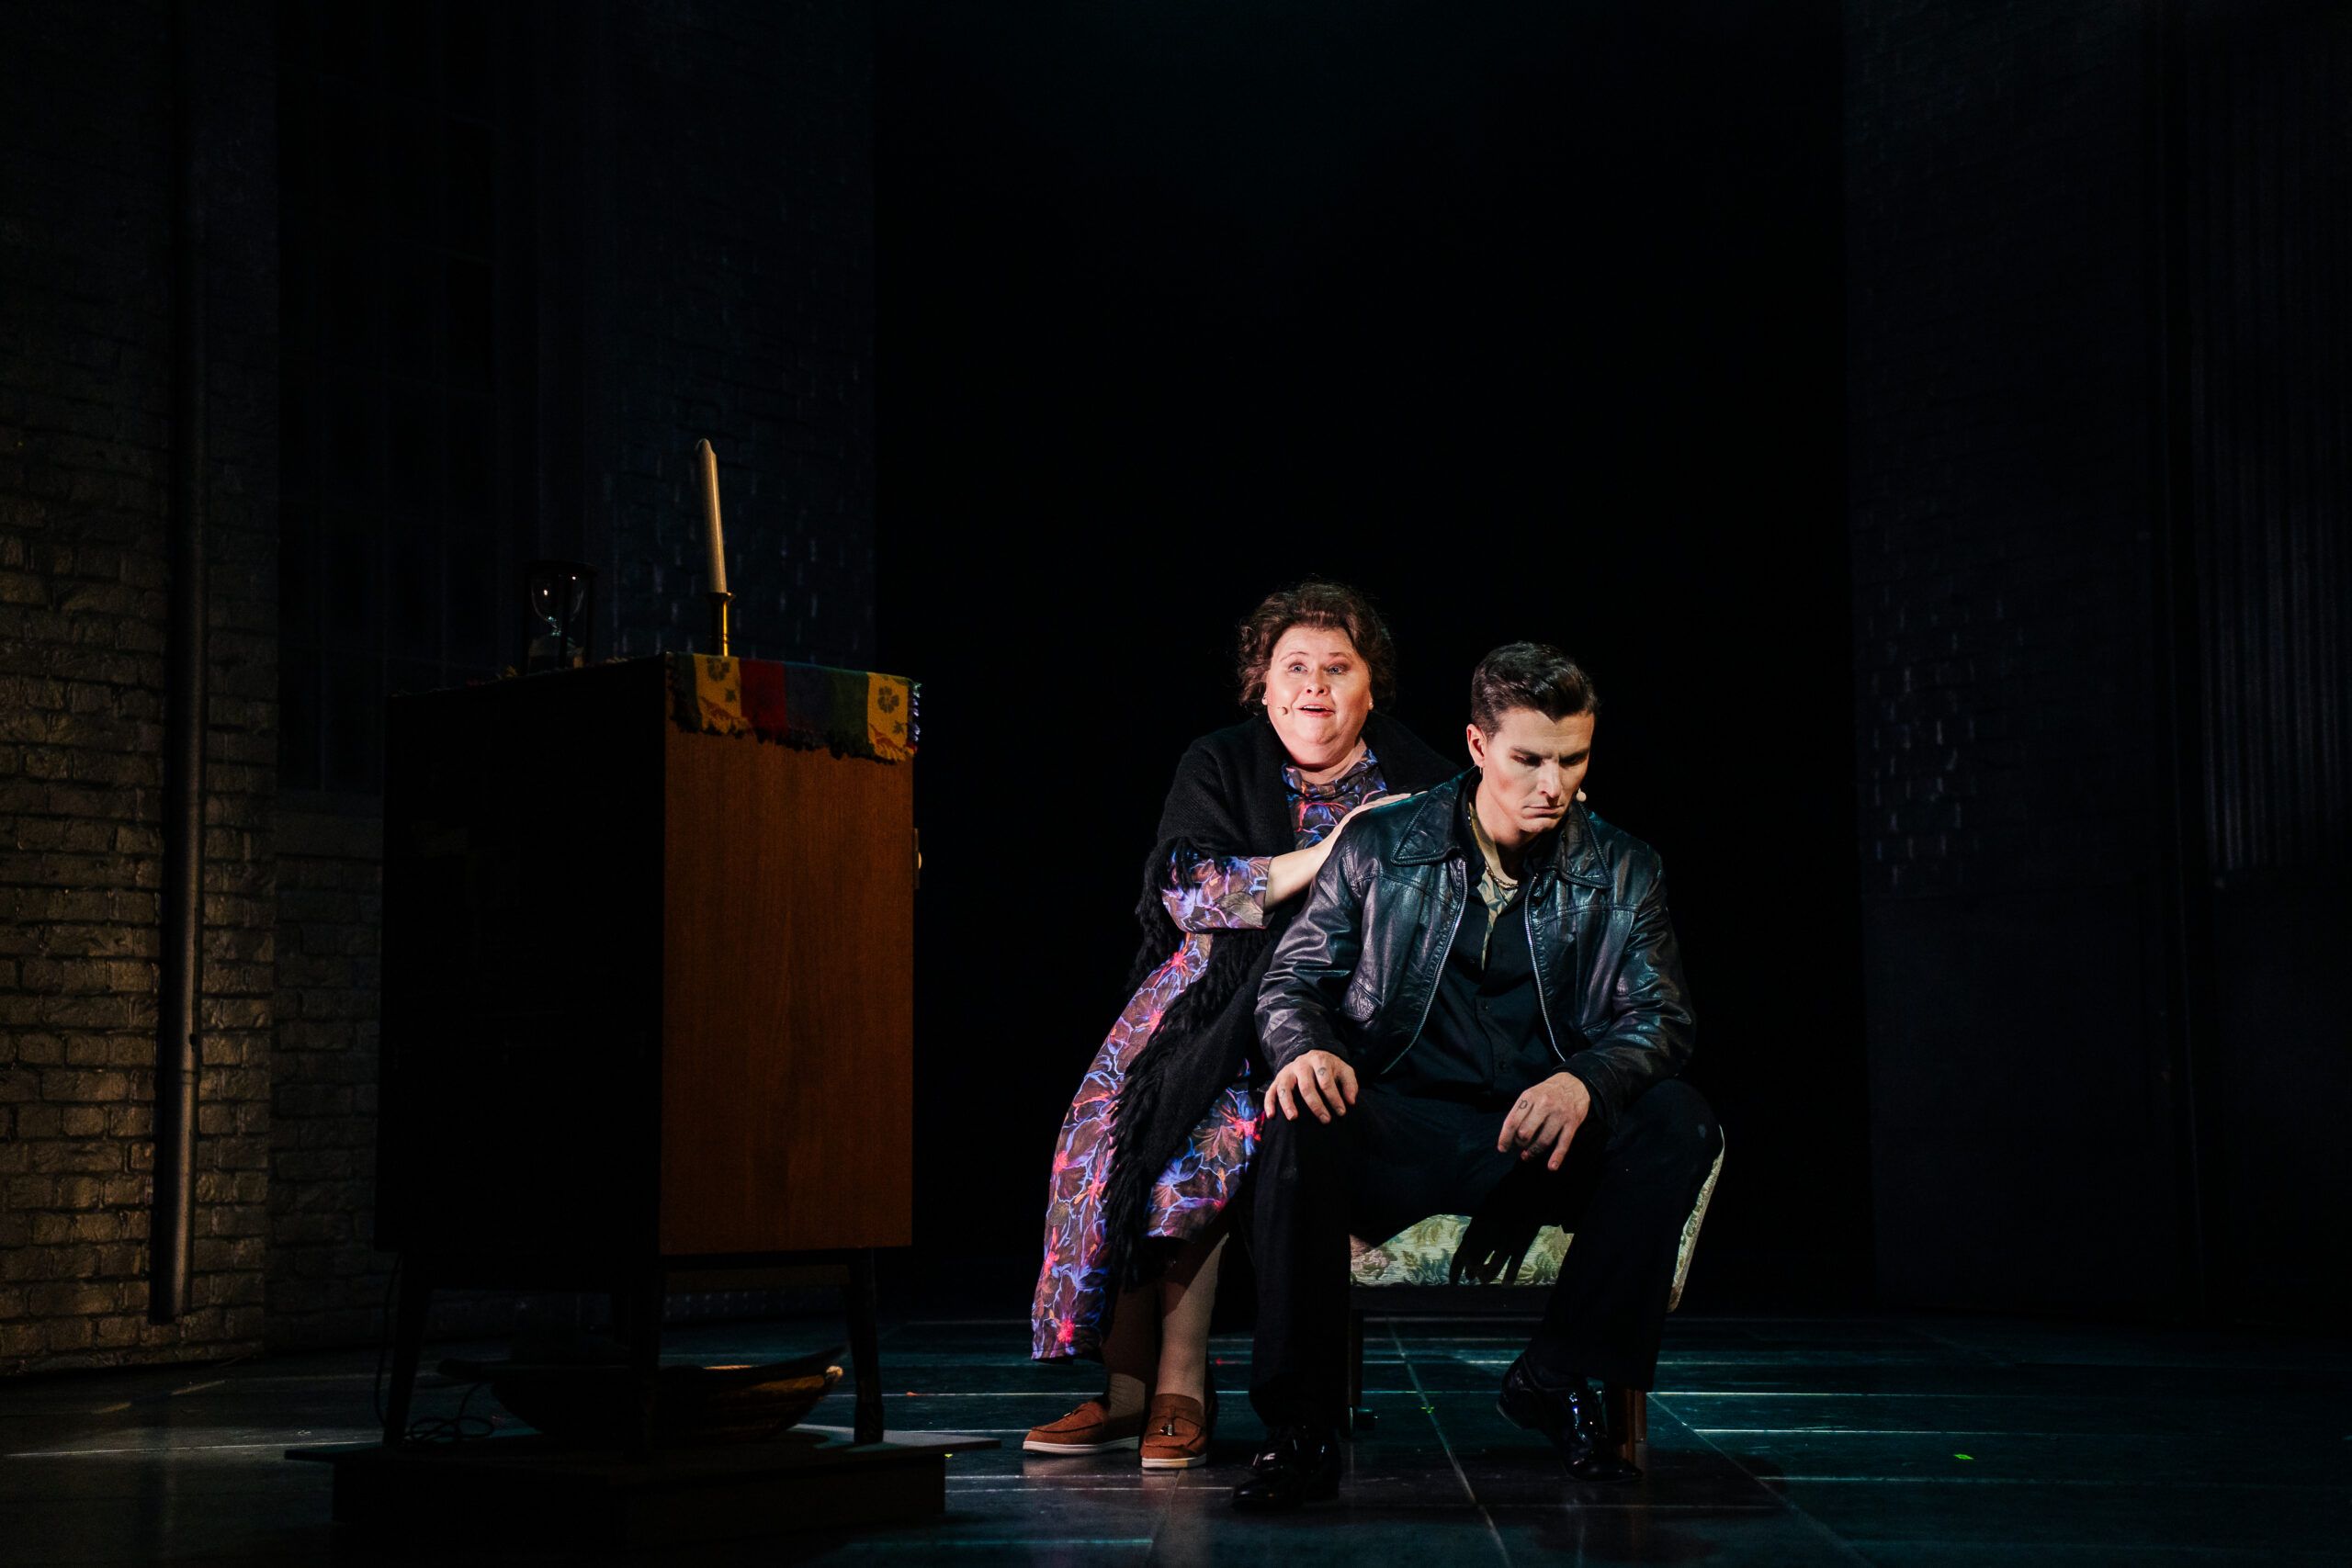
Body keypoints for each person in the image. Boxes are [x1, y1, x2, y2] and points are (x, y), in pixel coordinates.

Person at [1234, 642, 1722, 1510]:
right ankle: (1300, 1428)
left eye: (1573, 759)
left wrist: (1584, 1081)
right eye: (1529, 759)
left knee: (1678, 1118)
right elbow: (1292, 980)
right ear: (1476, 744)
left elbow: (1662, 1018)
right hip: (1403, 1132)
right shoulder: (1381, 844)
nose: (1554, 784)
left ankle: (1555, 1374)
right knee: (1301, 1110)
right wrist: (1305, 1046)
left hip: (1537, 1147)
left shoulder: (1624, 868)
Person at [1025, 581, 1455, 1471]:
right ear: (1261, 684)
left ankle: (1180, 1385)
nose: (1314, 686)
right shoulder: (1218, 760)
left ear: (1371, 688)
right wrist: (1329, 853)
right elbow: (1187, 891)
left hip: (1335, 1011)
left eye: (1337, 668)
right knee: (1107, 1130)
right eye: (1294, 667)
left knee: (1207, 1142)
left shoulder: (1420, 783)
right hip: (1197, 999)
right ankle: (1124, 1390)